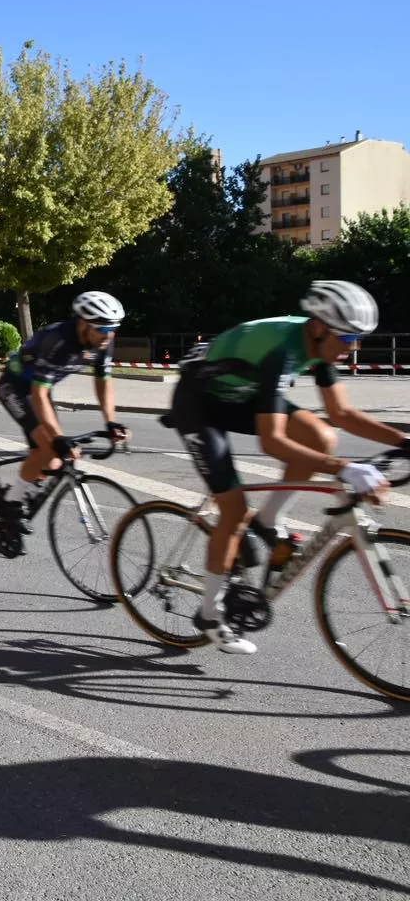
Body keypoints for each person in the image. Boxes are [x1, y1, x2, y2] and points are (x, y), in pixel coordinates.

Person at [170, 280, 407, 654]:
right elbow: (272, 442)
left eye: (357, 340)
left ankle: (266, 522)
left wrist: (403, 442)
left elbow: (341, 413)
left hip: (239, 397)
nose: (354, 348)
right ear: (318, 326)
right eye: (347, 340)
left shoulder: (318, 344)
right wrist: (343, 468)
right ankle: (209, 614)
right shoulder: (282, 348)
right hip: (198, 406)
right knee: (231, 512)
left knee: (322, 437)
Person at [0, 291, 130, 531]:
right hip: (15, 387)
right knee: (50, 448)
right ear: (84, 324)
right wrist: (56, 437)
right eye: (104, 329)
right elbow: (37, 394)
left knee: (54, 460)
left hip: (41, 391)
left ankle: (25, 492)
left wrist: (111, 421)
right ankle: (10, 504)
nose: (109, 336)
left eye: (114, 329)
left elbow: (103, 381)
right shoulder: (58, 340)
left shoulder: (102, 342)